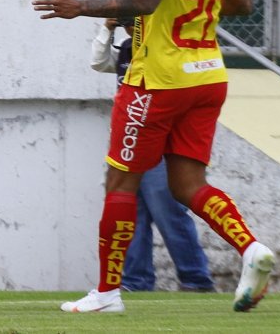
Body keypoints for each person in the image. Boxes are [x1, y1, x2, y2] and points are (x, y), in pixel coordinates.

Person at [34, 0, 276, 314]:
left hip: (157, 81)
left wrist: (81, 6)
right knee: (188, 185)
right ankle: (250, 248)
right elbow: (242, 4)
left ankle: (106, 293)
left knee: (121, 182)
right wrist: (184, 4)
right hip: (207, 76)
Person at [90, 18, 216, 293]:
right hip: (129, 142)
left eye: (135, 23)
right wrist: (106, 29)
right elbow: (99, 63)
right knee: (131, 215)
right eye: (128, 24)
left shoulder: (166, 52)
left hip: (159, 145)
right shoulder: (126, 49)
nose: (131, 29)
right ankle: (136, 281)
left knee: (169, 212)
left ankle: (196, 279)